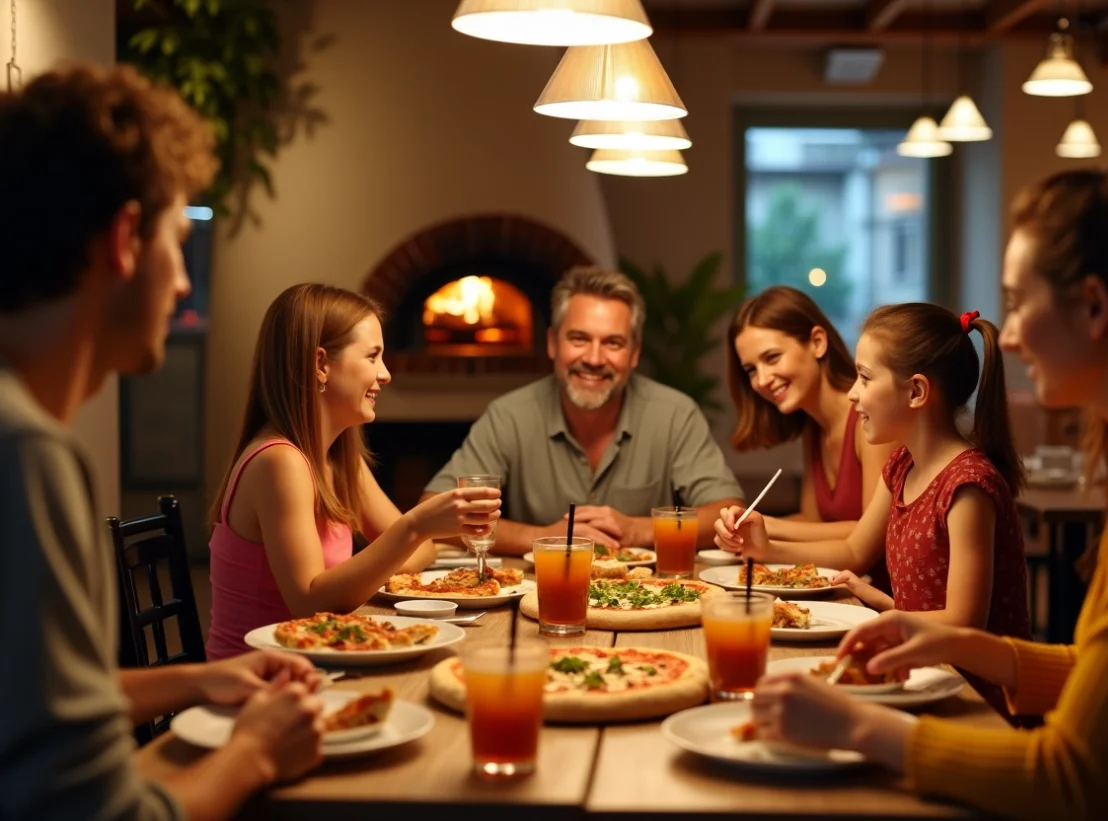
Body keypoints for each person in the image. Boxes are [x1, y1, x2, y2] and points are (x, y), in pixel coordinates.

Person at [748, 162, 1108, 820]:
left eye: (1018, 303)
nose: (1008, 335)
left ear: (1096, 307)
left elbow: (1073, 781)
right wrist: (955, 641)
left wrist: (856, 727)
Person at [0, 63, 323, 820]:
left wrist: (194, 680)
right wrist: (257, 750)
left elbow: (27, 701)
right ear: (124, 239)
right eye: (179, 242)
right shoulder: (26, 455)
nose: (182, 283)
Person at [716, 303, 1030, 716]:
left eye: (865, 378)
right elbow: (853, 550)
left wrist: (888, 614)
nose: (852, 392)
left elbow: (963, 623)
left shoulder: (967, 484)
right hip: (915, 672)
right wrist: (765, 549)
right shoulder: (902, 465)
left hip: (972, 699)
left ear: (916, 392)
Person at [205, 283, 501, 660]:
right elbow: (309, 605)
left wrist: (418, 535)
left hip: (320, 663)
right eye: (373, 357)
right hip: (259, 684)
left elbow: (414, 554)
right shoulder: (279, 462)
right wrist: (415, 526)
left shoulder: (340, 459)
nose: (386, 374)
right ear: (321, 364)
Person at [423, 266, 744, 554]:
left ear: (634, 354)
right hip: (534, 597)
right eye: (579, 338)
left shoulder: (674, 414)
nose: (593, 358)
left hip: (649, 594)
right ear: (552, 343)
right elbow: (431, 510)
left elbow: (727, 511)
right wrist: (544, 537)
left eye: (613, 343)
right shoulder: (509, 416)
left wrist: (639, 529)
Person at [726, 285, 896, 592]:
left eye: (773, 357)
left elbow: (868, 535)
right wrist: (748, 527)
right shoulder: (814, 426)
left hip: (885, 603)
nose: (762, 380)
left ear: (817, 342)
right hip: (843, 593)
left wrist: (769, 528)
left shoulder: (871, 422)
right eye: (751, 369)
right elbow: (813, 520)